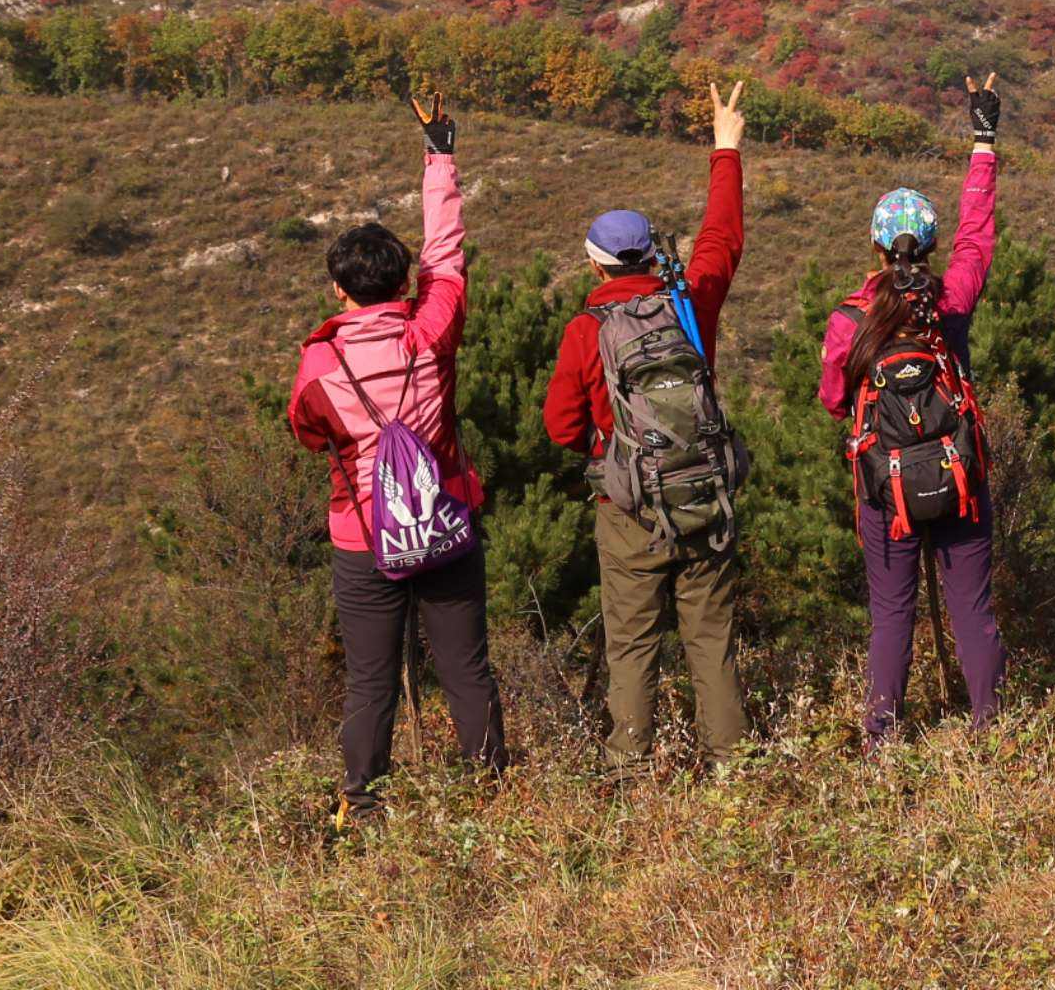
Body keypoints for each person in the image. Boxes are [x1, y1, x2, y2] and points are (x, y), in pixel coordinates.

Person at [287, 90, 506, 821]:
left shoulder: (320, 366)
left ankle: (364, 806)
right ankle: (487, 796)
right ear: (401, 279)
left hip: (362, 537)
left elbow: (309, 431)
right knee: (466, 669)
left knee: (371, 681)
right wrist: (439, 153)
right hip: (446, 524)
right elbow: (448, 256)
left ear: (340, 287)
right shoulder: (431, 333)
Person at [542, 81, 753, 763]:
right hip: (704, 497)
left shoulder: (587, 329)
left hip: (628, 507)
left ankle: (632, 777)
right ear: (652, 258)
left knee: (632, 649)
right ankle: (734, 773)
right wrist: (726, 149)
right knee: (711, 643)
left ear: (595, 262)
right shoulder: (691, 305)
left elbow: (559, 426)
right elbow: (722, 236)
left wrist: (609, 453)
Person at [819, 74, 1009, 747]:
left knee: (892, 614)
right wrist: (983, 143)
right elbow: (977, 240)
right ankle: (991, 729)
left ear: (876, 247)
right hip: (960, 480)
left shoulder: (851, 319)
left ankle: (881, 740)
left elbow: (834, 399)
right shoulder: (949, 303)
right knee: (972, 608)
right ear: (927, 248)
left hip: (886, 489)